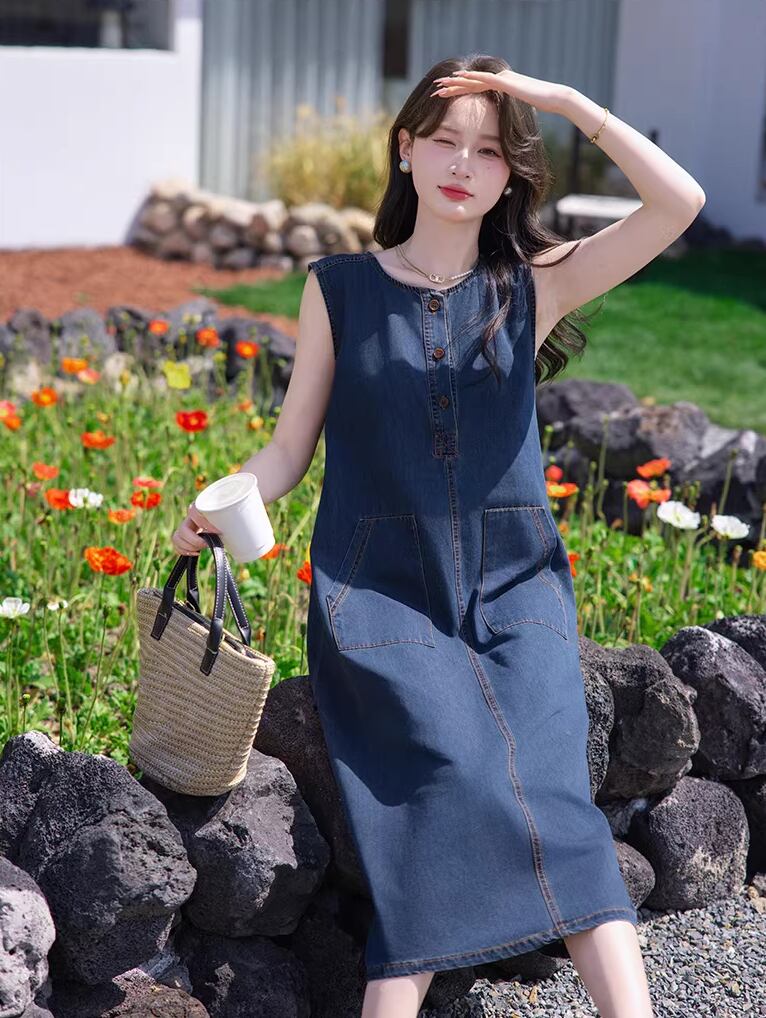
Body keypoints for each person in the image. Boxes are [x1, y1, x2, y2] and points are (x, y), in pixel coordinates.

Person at [173, 54, 705, 1018]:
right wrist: (221, 504)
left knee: (554, 800)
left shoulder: (535, 284)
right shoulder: (339, 288)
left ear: (511, 175)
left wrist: (562, 102)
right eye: (446, 141)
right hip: (377, 595)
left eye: (491, 150)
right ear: (406, 151)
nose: (465, 164)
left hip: (517, 594)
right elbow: (290, 447)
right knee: (436, 794)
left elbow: (680, 203)